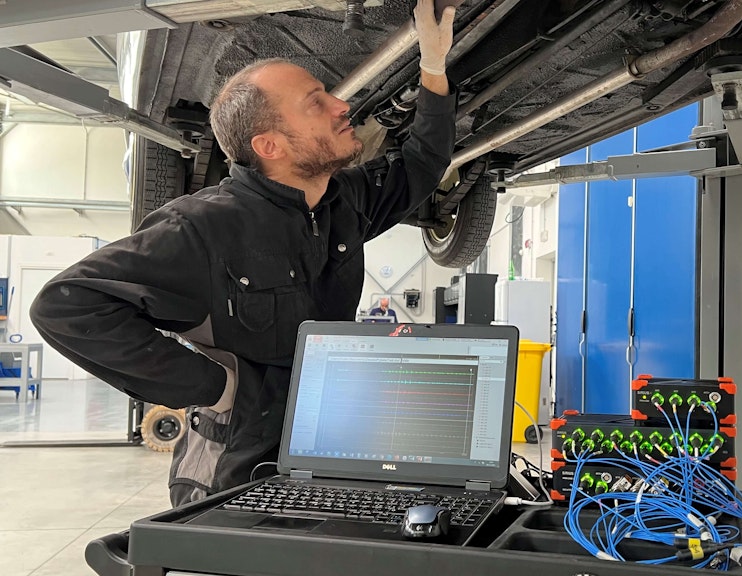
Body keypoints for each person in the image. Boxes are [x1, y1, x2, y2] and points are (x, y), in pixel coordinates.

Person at [29, 0, 457, 506]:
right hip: (232, 474)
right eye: (316, 102)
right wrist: (215, 387)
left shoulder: (343, 202)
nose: (342, 107)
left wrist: (432, 68)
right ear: (270, 145)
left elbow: (422, 166)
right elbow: (65, 305)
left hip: (327, 452)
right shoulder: (202, 227)